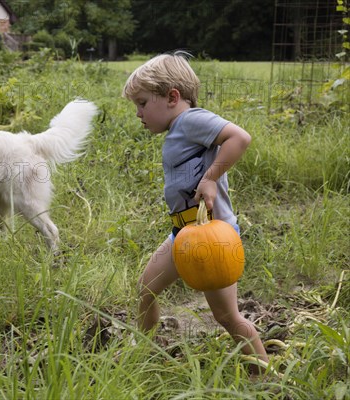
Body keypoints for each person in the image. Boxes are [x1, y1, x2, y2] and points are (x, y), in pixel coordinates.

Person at [122, 51, 268, 371]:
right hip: (185, 234)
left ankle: (265, 378)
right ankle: (146, 357)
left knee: (227, 316)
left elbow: (239, 137)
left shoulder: (190, 120)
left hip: (213, 241)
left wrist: (211, 177)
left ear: (172, 97)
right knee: (146, 289)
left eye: (143, 104)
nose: (138, 113)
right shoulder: (179, 129)